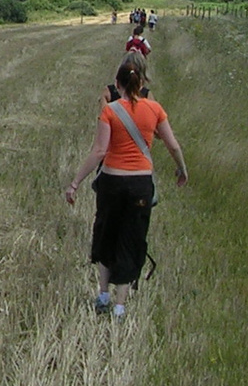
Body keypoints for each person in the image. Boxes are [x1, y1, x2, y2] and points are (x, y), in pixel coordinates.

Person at [64, 58, 187, 320]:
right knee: (131, 239)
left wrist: (75, 182)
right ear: (141, 84)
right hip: (140, 184)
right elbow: (173, 145)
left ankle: (103, 295)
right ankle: (120, 307)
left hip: (111, 182)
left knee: (107, 234)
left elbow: (99, 151)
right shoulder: (155, 109)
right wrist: (182, 169)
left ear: (117, 85)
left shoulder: (109, 111)